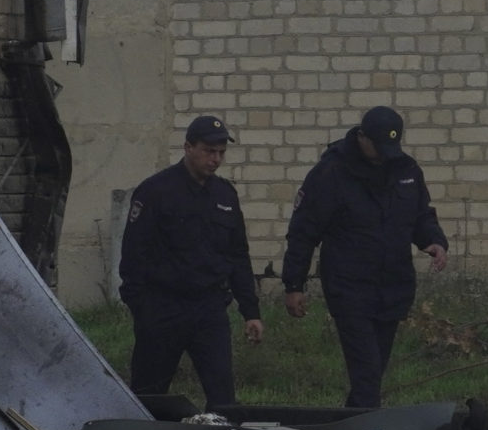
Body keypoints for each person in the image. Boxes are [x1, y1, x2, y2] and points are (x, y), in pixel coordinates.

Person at [281, 105, 450, 410]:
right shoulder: (331, 172)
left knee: (371, 374)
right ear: (362, 137)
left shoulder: (406, 170)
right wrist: (294, 284)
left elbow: (420, 215)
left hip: (393, 286)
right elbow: (303, 231)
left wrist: (434, 241)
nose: (384, 155)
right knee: (367, 372)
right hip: (349, 288)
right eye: (379, 147)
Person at [119, 115, 264, 410]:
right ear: (188, 148)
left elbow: (237, 255)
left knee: (223, 396)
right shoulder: (156, 191)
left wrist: (250, 311)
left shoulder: (225, 195)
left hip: (209, 308)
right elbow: (134, 254)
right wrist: (142, 308)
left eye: (221, 153)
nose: (215, 159)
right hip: (163, 307)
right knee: (149, 393)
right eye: (209, 151)